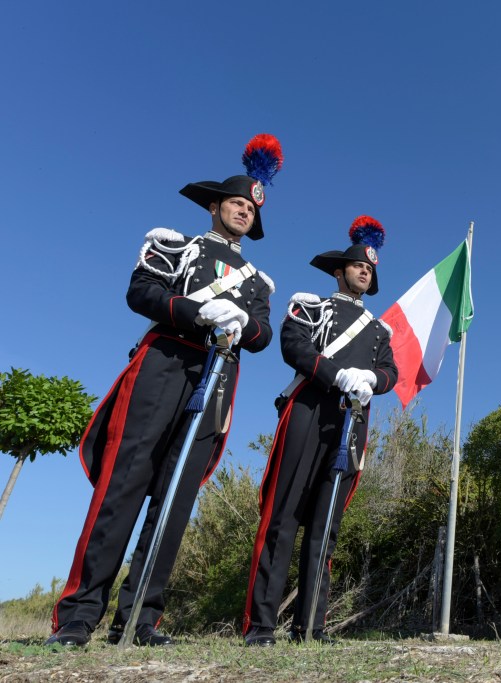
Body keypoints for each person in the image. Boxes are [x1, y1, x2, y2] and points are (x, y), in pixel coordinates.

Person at [46, 135, 283, 648]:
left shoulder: (259, 283)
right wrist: (196, 311)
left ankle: (141, 618)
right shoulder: (178, 245)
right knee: (122, 487)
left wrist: (242, 323)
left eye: (250, 208)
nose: (243, 211)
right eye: (236, 203)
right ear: (216, 206)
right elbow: (141, 292)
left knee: (175, 502)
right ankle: (78, 616)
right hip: (164, 363)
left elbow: (262, 337)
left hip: (217, 378)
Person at [242, 216, 397, 647]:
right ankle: (261, 626)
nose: (365, 271)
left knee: (327, 525)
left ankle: (311, 625)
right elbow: (294, 346)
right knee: (284, 515)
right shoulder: (310, 305)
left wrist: (371, 382)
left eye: (370, 269)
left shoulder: (379, 331)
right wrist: (337, 374)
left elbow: (391, 373)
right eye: (357, 265)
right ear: (338, 270)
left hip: (352, 420)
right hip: (310, 407)